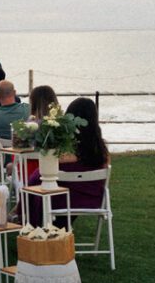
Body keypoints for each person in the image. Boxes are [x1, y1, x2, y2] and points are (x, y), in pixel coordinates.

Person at [27, 97, 110, 228]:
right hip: (94, 201)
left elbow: (45, 172)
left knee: (39, 181)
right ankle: (57, 229)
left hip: (64, 201)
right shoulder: (101, 149)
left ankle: (30, 223)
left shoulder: (66, 152)